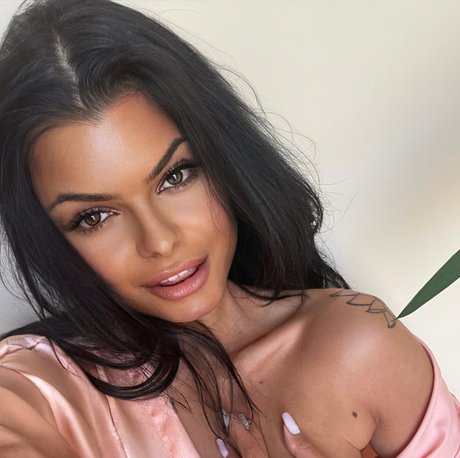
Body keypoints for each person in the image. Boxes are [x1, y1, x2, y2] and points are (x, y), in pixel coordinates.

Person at [0, 0, 458, 456]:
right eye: (94, 217)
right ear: (51, 239)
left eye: (175, 176)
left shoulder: (357, 349)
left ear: (225, 160)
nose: (160, 241)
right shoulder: (41, 392)